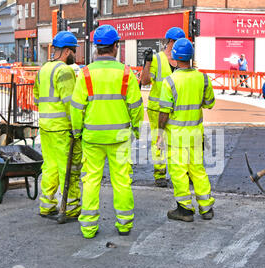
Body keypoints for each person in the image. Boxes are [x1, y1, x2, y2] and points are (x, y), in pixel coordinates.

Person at [70, 25, 144, 239]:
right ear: (115, 47)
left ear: (96, 48)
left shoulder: (85, 74)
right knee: (121, 180)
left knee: (91, 180)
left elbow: (76, 108)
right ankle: (124, 224)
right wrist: (136, 129)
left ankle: (89, 227)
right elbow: (136, 106)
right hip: (119, 138)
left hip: (92, 138)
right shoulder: (127, 73)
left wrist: (77, 131)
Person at [156, 38, 216, 221]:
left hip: (176, 137)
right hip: (196, 135)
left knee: (178, 172)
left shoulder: (170, 82)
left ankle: (185, 209)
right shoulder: (203, 78)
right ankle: (206, 208)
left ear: (174, 58)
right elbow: (209, 103)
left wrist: (159, 133)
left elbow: (164, 112)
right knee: (198, 170)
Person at [33, 31, 82, 219]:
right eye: (74, 51)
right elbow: (72, 104)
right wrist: (77, 127)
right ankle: (70, 207)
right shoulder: (64, 71)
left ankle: (46, 205)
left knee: (50, 166)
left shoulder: (43, 69)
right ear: (67, 51)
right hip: (62, 128)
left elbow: (37, 99)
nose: (75, 56)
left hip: (45, 127)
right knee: (68, 168)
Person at [141, 27, 186, 188]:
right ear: (171, 42)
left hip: (177, 108)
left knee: (178, 140)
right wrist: (146, 63)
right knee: (159, 139)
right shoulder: (157, 59)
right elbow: (145, 81)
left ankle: (180, 171)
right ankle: (160, 173)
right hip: (157, 107)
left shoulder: (183, 58)